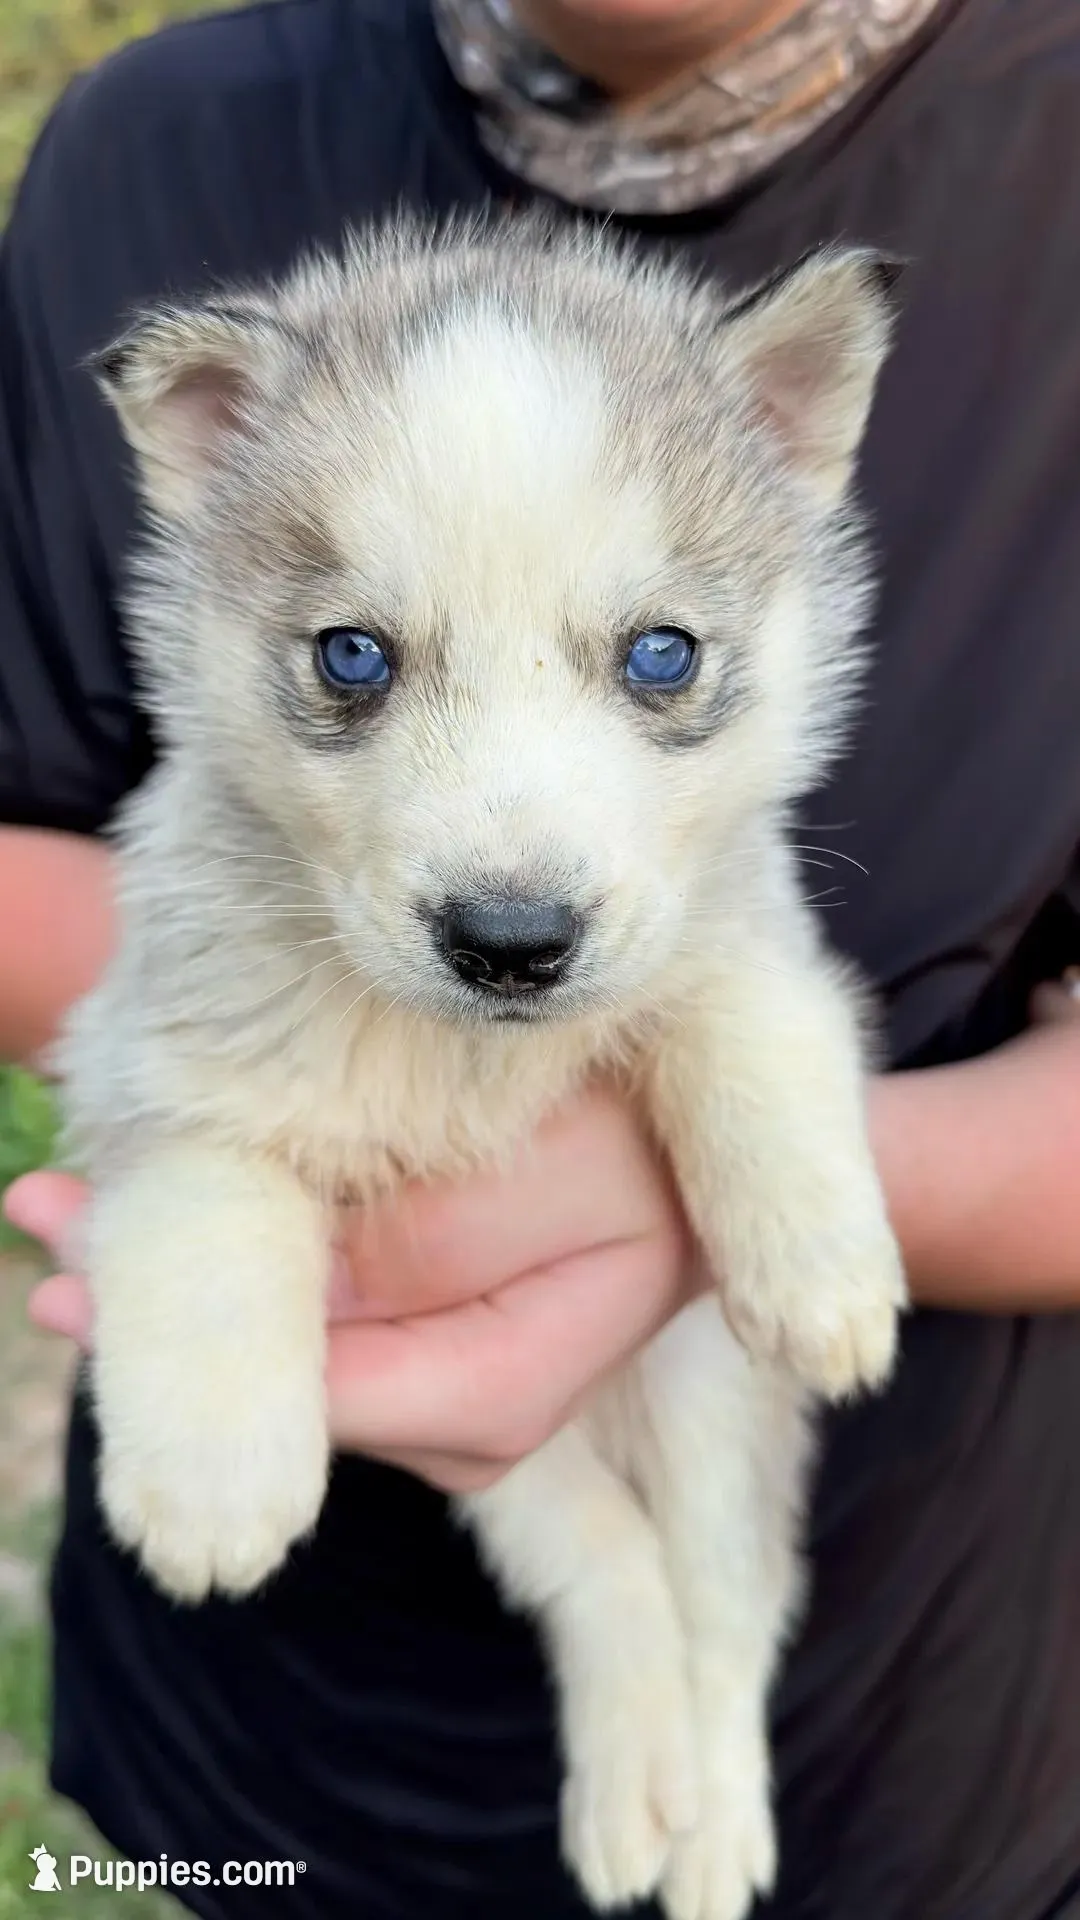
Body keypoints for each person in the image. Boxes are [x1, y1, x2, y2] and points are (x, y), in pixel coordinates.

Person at [2, 0, 1080, 1914]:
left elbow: (745, 999)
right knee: (560, 1526)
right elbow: (181, 1099)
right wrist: (229, 1282)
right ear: (202, 452)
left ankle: (711, 1717)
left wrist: (755, 1191)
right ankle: (617, 1661)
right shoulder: (148, 145)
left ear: (798, 436)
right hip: (274, 1761)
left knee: (712, 1452)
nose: (509, 866)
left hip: (921, 1743)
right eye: (356, 659)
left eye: (657, 661)